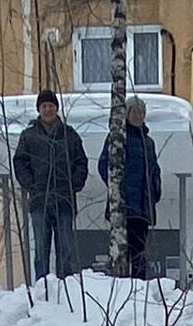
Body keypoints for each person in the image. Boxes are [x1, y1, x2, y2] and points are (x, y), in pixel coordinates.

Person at [13, 89, 87, 285]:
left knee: (65, 249)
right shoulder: (28, 136)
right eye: (44, 106)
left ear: (57, 108)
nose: (48, 110)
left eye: (51, 106)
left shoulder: (69, 135)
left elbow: (81, 162)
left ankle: (66, 290)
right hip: (39, 202)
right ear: (39, 110)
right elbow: (20, 162)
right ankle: (41, 289)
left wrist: (74, 184)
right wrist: (31, 185)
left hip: (64, 201)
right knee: (41, 250)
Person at [102, 99, 160, 278]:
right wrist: (116, 190)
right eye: (134, 112)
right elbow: (105, 165)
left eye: (141, 112)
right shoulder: (117, 138)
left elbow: (154, 170)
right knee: (121, 252)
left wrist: (155, 191)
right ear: (126, 114)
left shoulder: (148, 142)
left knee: (140, 254)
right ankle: (122, 287)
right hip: (123, 206)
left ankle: (139, 288)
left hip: (142, 208)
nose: (138, 116)